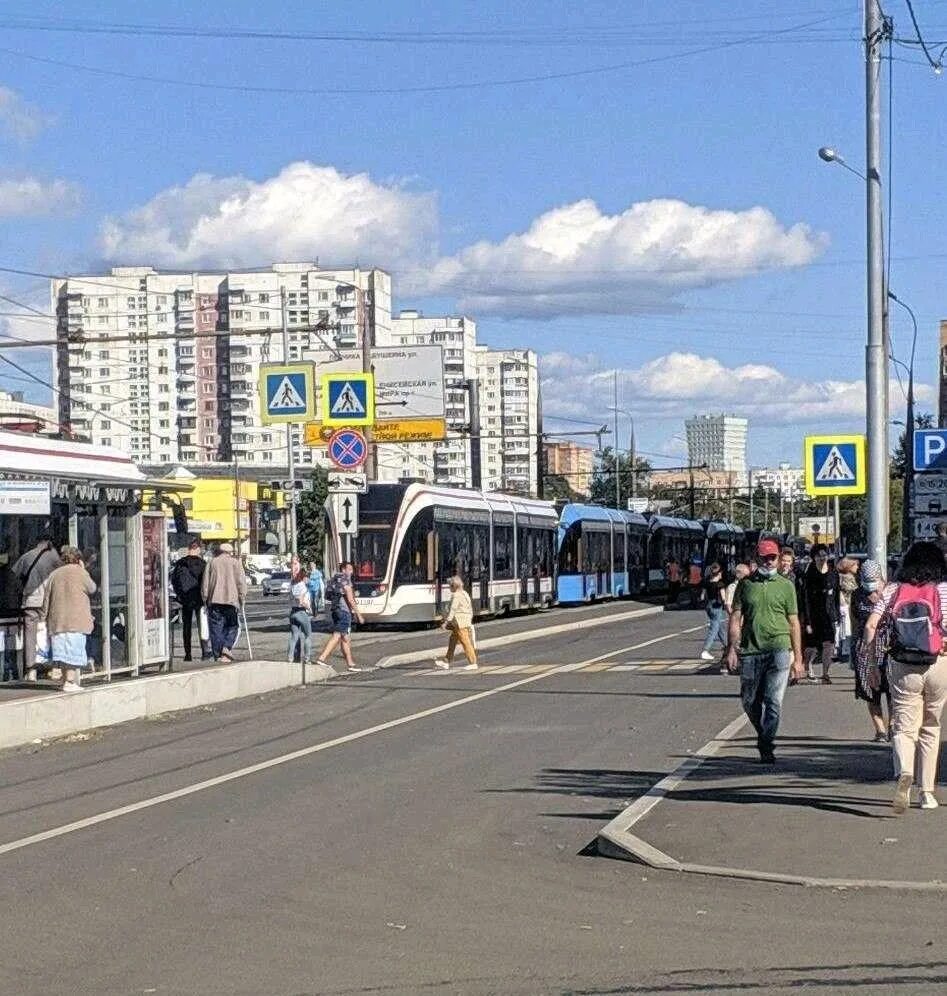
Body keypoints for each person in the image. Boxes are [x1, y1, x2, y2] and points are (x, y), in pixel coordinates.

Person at [863, 541, 947, 813]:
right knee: (931, 726)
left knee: (902, 726)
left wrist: (873, 665)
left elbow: (870, 625)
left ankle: (905, 772)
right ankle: (928, 793)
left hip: (902, 663)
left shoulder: (893, 590)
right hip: (938, 663)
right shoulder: (944, 590)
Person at [726, 539, 804, 763]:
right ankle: (763, 733)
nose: (769, 562)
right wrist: (732, 648)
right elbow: (735, 617)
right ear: (756, 559)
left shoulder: (786, 585)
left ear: (779, 559)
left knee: (773, 700)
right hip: (751, 650)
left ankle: (767, 742)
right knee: (749, 700)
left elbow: (793, 623)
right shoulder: (746, 585)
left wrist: (798, 659)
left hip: (779, 649)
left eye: (773, 558)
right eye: (765, 558)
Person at [42, 546, 96, 692]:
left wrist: (44, 618)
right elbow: (92, 588)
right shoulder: (80, 573)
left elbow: (46, 598)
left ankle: (66, 680)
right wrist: (84, 569)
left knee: (63, 653)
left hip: (57, 621)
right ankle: (69, 682)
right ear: (78, 559)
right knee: (73, 652)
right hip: (76, 620)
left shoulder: (54, 574)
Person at [851, 559, 891, 743]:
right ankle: (880, 730)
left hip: (888, 644)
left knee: (892, 690)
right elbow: (855, 622)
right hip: (864, 646)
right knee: (870, 691)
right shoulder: (857, 595)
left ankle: (893, 727)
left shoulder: (891, 593)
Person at [13, 535, 60, 680]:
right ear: (48, 543)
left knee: (30, 635)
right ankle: (53, 666)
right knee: (51, 632)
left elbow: (14, 577)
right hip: (49, 599)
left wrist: (23, 589)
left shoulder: (26, 557)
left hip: (30, 600)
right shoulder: (53, 556)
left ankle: (31, 670)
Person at [800, 543, 840, 684]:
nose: (822, 558)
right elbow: (805, 598)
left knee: (829, 643)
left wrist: (837, 615)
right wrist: (807, 621)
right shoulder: (809, 574)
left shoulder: (833, 573)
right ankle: (808, 665)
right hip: (813, 615)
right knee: (812, 646)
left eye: (824, 555)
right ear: (814, 558)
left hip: (829, 616)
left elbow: (836, 595)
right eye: (819, 555)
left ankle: (825, 673)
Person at [200, 542, 247, 662]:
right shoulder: (236, 563)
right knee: (233, 626)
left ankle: (218, 655)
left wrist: (205, 598)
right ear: (230, 552)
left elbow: (205, 583)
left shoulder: (212, 562)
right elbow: (241, 583)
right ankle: (226, 647)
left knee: (216, 629)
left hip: (215, 600)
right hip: (231, 601)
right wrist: (242, 599)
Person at [315, 561, 365, 672]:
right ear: (344, 569)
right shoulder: (346, 580)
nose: (351, 572)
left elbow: (328, 595)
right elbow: (351, 600)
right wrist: (359, 615)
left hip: (335, 610)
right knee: (337, 635)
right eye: (350, 569)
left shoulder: (334, 579)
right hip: (344, 612)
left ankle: (350, 663)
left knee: (345, 638)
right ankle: (322, 658)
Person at [171, 540, 210, 662]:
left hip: (185, 599)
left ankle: (187, 654)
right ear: (198, 549)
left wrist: (180, 595)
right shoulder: (203, 564)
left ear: (189, 548)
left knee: (186, 627)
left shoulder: (180, 564)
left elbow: (174, 581)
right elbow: (206, 582)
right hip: (199, 598)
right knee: (202, 625)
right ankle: (204, 651)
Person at [434, 576, 478, 671]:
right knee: (452, 640)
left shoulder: (456, 595)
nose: (449, 588)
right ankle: (446, 661)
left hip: (459, 622)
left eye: (450, 586)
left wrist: (446, 622)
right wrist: (470, 619)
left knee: (465, 642)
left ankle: (473, 662)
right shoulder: (465, 593)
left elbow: (453, 610)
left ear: (454, 586)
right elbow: (470, 608)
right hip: (464, 621)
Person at [699, 562, 728, 662]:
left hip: (708, 606)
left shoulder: (707, 582)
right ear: (719, 573)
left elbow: (702, 596)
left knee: (719, 627)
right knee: (714, 629)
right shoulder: (720, 584)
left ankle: (727, 646)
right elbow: (724, 598)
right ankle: (705, 650)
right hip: (717, 606)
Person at [287, 565, 313, 664]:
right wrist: (309, 608)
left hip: (293, 612)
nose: (309, 580)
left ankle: (290, 657)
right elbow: (301, 601)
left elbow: (291, 598)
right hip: (301, 612)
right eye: (308, 578)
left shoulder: (293, 585)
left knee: (294, 636)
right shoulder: (302, 586)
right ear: (304, 577)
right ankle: (307, 658)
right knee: (308, 635)